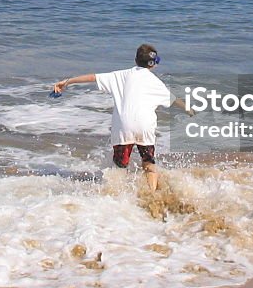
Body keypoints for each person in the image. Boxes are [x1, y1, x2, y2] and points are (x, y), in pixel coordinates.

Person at [52, 44, 190, 190]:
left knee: (120, 166)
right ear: (154, 64)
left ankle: (118, 196)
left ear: (136, 60)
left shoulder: (119, 75)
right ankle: (152, 195)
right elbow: (173, 99)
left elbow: (92, 77)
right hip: (145, 126)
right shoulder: (155, 81)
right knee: (149, 164)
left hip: (123, 128)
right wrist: (189, 110)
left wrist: (67, 81)